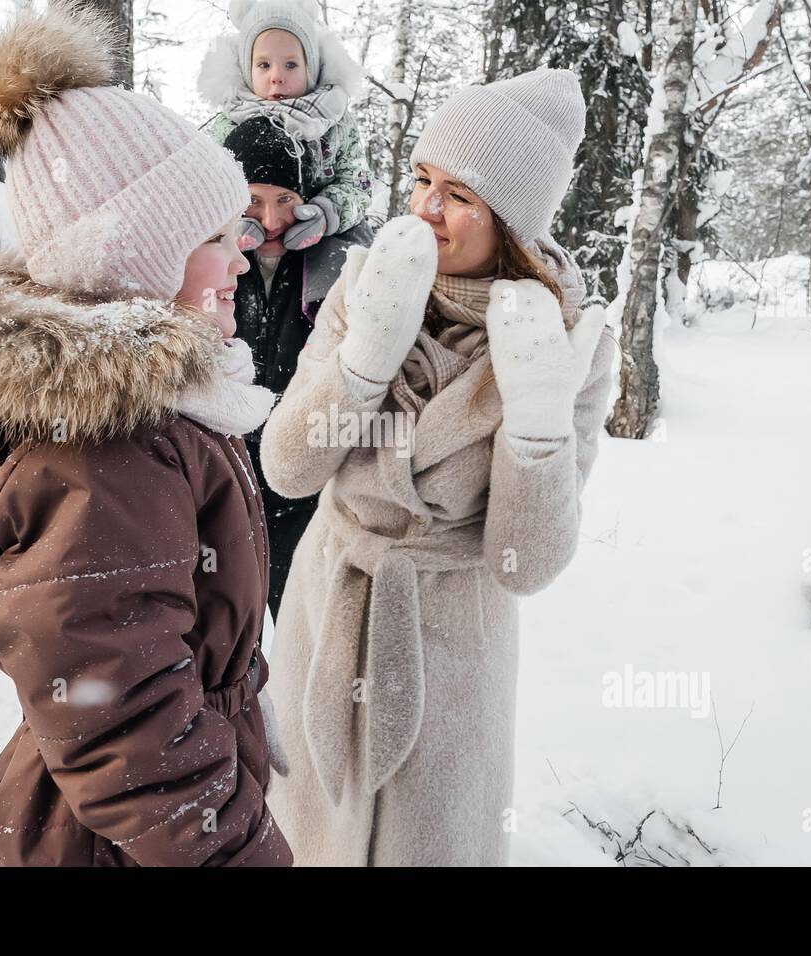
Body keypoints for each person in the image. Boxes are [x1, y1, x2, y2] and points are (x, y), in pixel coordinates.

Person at [0, 2, 292, 867]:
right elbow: (120, 711)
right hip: (111, 843)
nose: (243, 255)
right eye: (213, 236)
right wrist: (238, 850)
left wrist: (239, 701)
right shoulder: (112, 455)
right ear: (132, 258)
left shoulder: (170, 412)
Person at [258, 68, 619, 865]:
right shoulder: (369, 285)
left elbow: (525, 564)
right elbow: (285, 469)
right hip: (331, 609)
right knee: (304, 831)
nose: (425, 207)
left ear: (514, 222)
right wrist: (362, 360)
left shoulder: (571, 344)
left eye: (459, 193)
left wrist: (535, 427)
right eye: (423, 177)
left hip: (453, 648)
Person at [223, 115, 373, 620]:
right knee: (228, 641)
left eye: (285, 200)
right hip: (227, 486)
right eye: (253, 201)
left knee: (306, 626)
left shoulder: (331, 263)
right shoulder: (212, 263)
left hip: (307, 484)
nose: (270, 221)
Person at [199, 0, 370, 252]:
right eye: (264, 65)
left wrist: (326, 213)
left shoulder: (333, 120)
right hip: (250, 232)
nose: (277, 76)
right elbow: (208, 184)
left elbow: (357, 183)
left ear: (309, 67)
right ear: (247, 69)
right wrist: (233, 218)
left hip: (316, 239)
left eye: (291, 64)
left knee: (346, 252)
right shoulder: (229, 121)